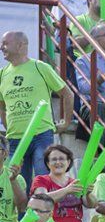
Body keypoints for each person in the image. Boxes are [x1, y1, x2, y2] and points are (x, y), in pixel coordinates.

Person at [0, 31, 73, 188]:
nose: (1, 47)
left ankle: (44, 213)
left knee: (42, 183)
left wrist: (66, 123)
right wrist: (9, 127)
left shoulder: (40, 67)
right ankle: (23, 214)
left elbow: (67, 93)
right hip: (14, 141)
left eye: (5, 43)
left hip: (41, 136)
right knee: (18, 188)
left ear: (20, 45)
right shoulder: (2, 74)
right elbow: (2, 107)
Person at [31, 144, 95, 222]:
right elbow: (41, 199)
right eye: (54, 159)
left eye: (62, 159)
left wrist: (88, 194)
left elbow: (91, 204)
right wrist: (66, 190)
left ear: (69, 162)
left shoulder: (75, 182)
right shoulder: (41, 180)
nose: (58, 162)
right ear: (48, 163)